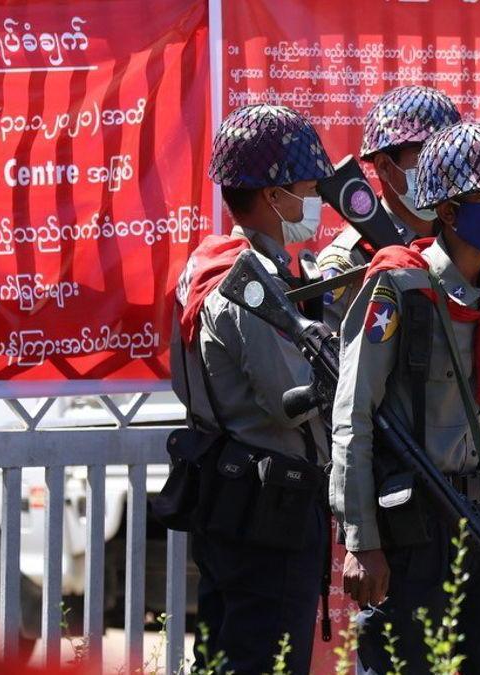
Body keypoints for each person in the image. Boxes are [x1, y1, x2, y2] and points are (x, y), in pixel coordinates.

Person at [329, 121, 480, 673]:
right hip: (414, 529)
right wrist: (362, 542)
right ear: (449, 212)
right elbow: (353, 416)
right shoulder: (400, 289)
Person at [168, 104, 334, 673]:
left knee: (226, 654)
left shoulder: (205, 266)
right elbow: (290, 402)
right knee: (266, 657)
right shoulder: (249, 285)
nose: (316, 204)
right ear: (273, 196)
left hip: (228, 492)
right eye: (309, 189)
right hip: (271, 506)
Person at [317, 85, 461, 329]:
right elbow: (323, 359)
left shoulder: (459, 242)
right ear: (384, 166)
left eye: (447, 158)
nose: (442, 171)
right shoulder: (348, 261)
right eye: (427, 158)